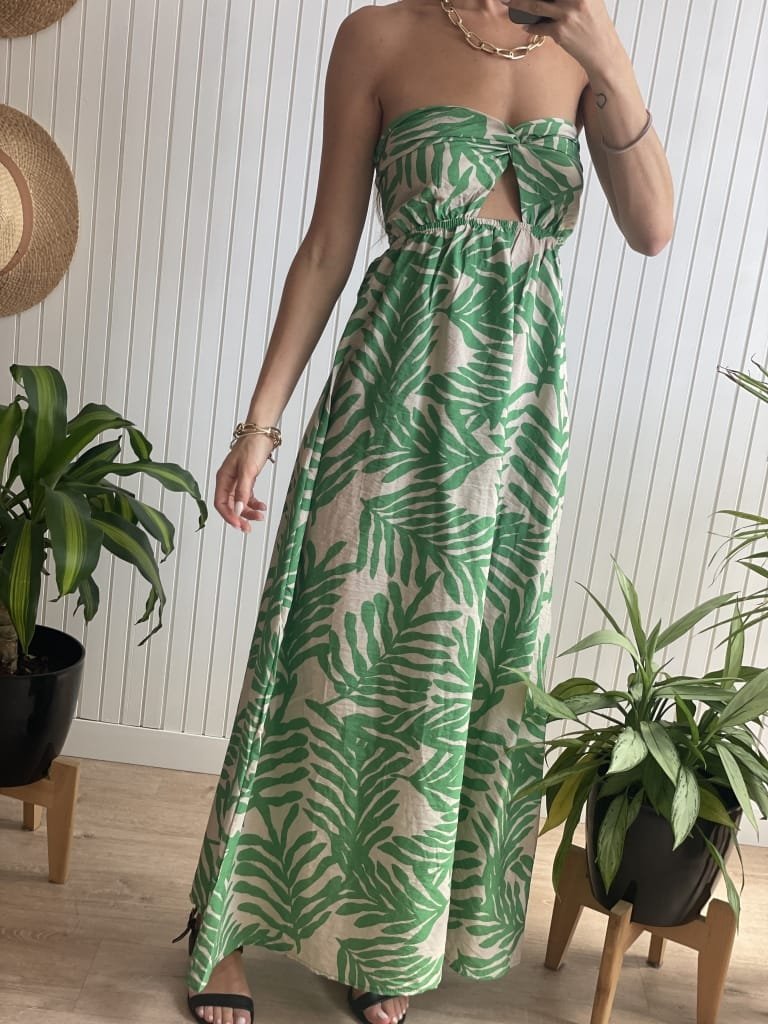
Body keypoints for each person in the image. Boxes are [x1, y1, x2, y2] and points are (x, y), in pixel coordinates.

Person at [171, 3, 674, 1024]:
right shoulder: (380, 36)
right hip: (387, 396)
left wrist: (607, 57)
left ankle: (382, 932)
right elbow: (328, 245)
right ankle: (226, 928)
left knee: (455, 676)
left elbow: (653, 228)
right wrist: (260, 424)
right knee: (326, 662)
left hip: (517, 427)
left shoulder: (584, 43)